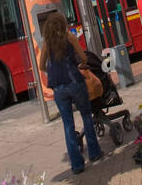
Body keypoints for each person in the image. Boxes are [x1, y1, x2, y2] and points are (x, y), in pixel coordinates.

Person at [37, 12, 103, 175]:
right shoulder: (69, 37)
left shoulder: (46, 43)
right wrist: (77, 64)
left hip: (58, 87)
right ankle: (94, 153)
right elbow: (83, 58)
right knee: (86, 116)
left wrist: (53, 71)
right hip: (75, 82)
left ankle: (77, 164)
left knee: (68, 124)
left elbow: (41, 66)